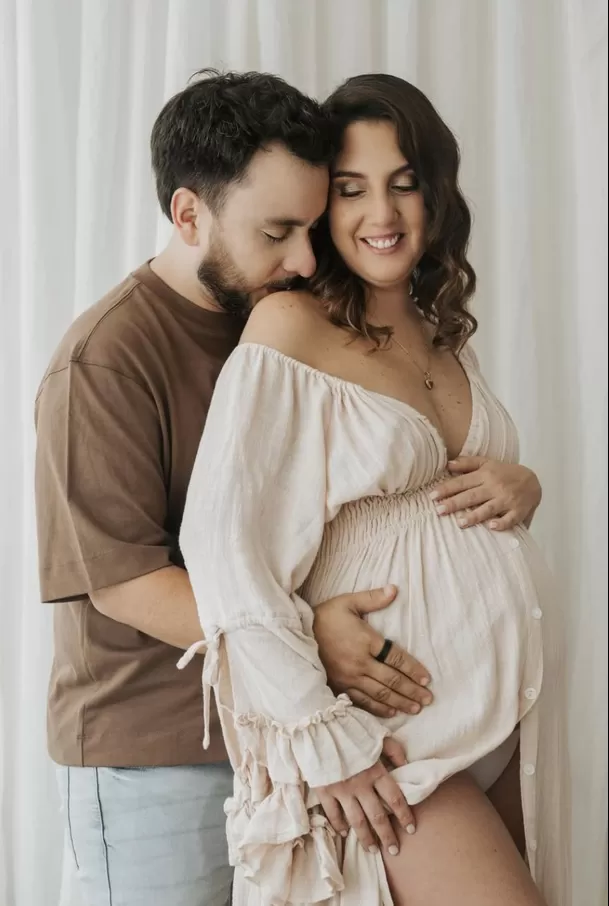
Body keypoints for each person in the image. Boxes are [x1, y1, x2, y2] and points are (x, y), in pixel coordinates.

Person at [35, 70, 543, 906]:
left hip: (293, 722)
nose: (306, 256)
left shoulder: (295, 305)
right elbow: (124, 578)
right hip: (156, 742)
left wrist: (517, 483)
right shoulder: (109, 358)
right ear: (189, 214)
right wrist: (312, 654)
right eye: (280, 230)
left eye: (311, 225)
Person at [179, 74, 571, 906]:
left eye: (403, 185)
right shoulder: (289, 328)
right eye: (351, 190)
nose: (381, 214)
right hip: (396, 743)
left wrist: (523, 482)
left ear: (435, 195)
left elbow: (448, 487)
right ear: (323, 207)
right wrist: (328, 744)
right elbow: (223, 546)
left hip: (499, 728)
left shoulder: (442, 330)